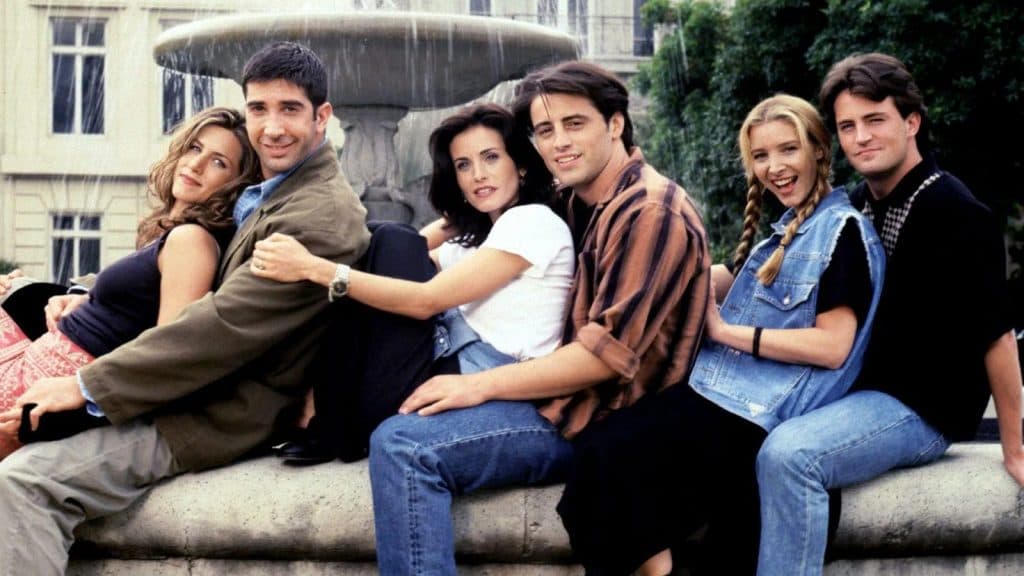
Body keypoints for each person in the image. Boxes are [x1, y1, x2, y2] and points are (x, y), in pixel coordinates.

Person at [0, 41, 370, 573]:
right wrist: (78, 295)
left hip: (214, 415)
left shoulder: (318, 214)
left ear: (322, 117)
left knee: (26, 481)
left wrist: (84, 386)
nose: (271, 128)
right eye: (259, 109)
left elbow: (220, 326)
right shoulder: (278, 191)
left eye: (290, 109)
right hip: (190, 393)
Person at [366, 60, 712, 574]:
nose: (558, 143)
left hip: (589, 418)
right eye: (545, 130)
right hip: (558, 399)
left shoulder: (649, 210)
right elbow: (489, 212)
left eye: (575, 124)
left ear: (615, 123)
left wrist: (477, 389)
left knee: (404, 446)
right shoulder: (581, 198)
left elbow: (602, 360)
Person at [557, 94, 886, 576]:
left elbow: (832, 347)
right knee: (596, 449)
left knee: (610, 461)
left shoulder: (843, 233)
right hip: (724, 396)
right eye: (760, 156)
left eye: (787, 150)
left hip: (759, 415)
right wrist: (688, 272)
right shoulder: (787, 231)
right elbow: (753, 291)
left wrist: (726, 332)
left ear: (818, 150)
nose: (774, 167)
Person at [755, 53, 1023, 576]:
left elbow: (998, 337)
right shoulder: (858, 203)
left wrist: (1015, 447)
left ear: (911, 121)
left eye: (874, 120)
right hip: (859, 391)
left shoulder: (957, 212)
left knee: (790, 456)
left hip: (923, 408)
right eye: (847, 126)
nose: (860, 138)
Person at [249, 102, 575, 463]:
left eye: (491, 158)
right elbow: (407, 258)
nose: (478, 174)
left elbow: (424, 298)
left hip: (475, 381)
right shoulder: (482, 238)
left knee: (390, 237)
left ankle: (324, 420)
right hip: (433, 374)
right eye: (463, 166)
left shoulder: (533, 222)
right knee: (380, 241)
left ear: (522, 164)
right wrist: (460, 216)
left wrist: (316, 268)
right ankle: (324, 419)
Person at [0, 106, 261, 458]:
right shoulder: (168, 233)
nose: (196, 165)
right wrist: (85, 298)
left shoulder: (192, 242)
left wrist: (77, 407)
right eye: (195, 149)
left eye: (219, 163)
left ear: (235, 186)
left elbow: (169, 349)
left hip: (49, 383)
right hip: (40, 366)